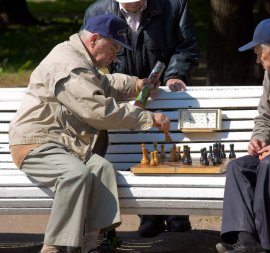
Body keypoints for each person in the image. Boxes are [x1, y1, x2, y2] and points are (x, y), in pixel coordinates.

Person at [8, 14, 171, 253]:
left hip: (67, 143)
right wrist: (147, 118)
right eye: (115, 47)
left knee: (102, 169)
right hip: (37, 143)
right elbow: (98, 111)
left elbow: (103, 83)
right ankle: (54, 247)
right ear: (95, 39)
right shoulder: (68, 64)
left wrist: (137, 84)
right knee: (76, 175)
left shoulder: (80, 59)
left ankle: (89, 244)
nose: (117, 55)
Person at [83, 0, 200, 237]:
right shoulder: (97, 11)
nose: (133, 8)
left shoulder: (174, 6)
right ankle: (149, 214)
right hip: (123, 93)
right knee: (137, 152)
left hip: (164, 91)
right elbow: (88, 58)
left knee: (170, 149)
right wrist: (114, 83)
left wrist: (174, 74)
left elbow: (186, 46)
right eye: (129, 6)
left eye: (138, 5)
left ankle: (178, 211)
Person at [215, 18, 270, 253]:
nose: (257, 59)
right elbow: (264, 117)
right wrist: (260, 138)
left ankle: (263, 246)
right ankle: (246, 240)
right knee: (237, 167)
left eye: (259, 52)